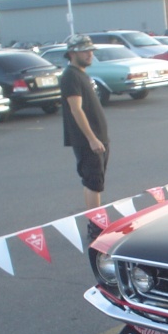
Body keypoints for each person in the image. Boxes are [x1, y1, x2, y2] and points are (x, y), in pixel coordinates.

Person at [60, 34, 109, 238]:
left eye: (91, 50)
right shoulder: (70, 75)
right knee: (93, 181)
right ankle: (96, 226)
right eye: (85, 51)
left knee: (96, 180)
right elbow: (76, 109)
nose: (90, 54)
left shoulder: (81, 74)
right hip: (88, 140)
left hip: (98, 137)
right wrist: (92, 138)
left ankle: (96, 220)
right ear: (72, 53)